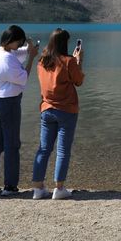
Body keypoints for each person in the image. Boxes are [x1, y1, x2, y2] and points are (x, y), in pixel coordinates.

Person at [31, 29, 85, 200]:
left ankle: (38, 188)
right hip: (66, 111)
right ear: (64, 43)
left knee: (44, 149)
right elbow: (79, 81)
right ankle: (59, 188)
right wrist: (79, 61)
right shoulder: (69, 61)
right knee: (63, 150)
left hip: (46, 109)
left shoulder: (41, 62)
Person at [0, 25, 38, 195]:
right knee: (12, 144)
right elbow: (23, 78)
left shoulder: (1, 51)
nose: (19, 45)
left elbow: (17, 53)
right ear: (11, 41)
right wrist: (32, 59)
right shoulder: (6, 60)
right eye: (18, 42)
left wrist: (28, 48)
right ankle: (10, 186)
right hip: (9, 104)